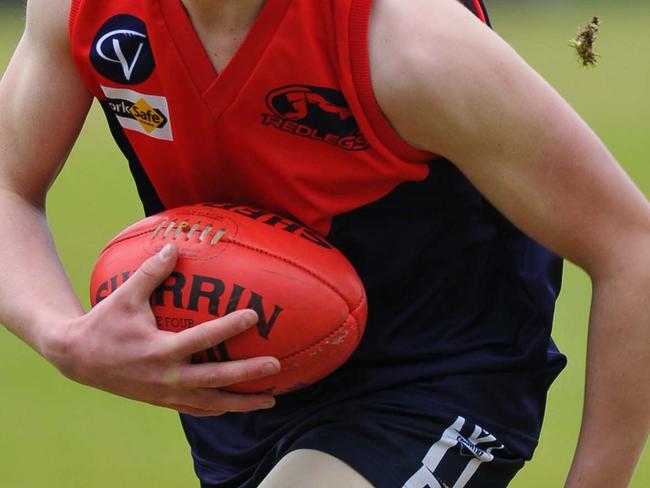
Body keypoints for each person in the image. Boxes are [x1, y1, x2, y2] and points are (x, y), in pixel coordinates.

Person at [0, 0, 648, 486]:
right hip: (245, 394)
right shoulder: (84, 11)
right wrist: (63, 336)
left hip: (435, 380)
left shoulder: (408, 41)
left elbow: (630, 247)